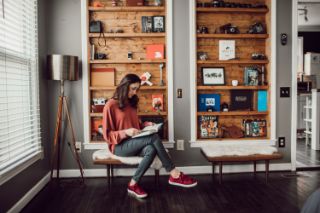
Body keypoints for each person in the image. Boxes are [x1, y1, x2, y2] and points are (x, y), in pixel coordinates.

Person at [102, 74, 197, 199]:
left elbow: (134, 125)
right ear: (124, 87)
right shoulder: (110, 105)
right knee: (153, 138)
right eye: (132, 89)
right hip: (119, 146)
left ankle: (133, 184)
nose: (135, 92)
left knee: (151, 149)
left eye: (137, 89)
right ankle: (174, 173)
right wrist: (125, 132)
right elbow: (107, 135)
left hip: (133, 142)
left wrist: (145, 125)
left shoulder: (131, 103)